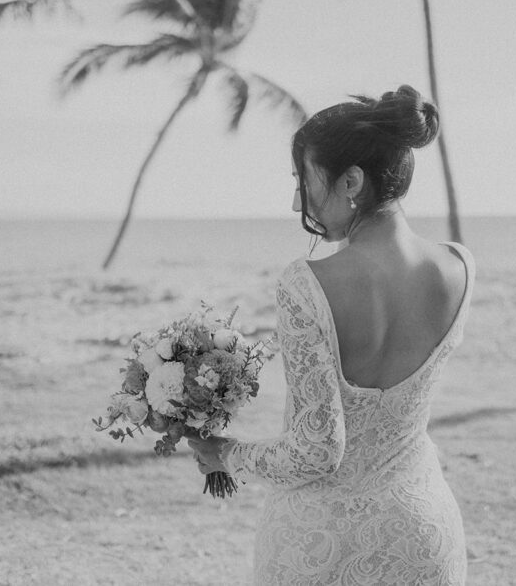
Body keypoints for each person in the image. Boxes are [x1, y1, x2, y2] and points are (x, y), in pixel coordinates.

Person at [188, 85, 474, 585]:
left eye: (305, 180)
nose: (299, 198)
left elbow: (317, 450)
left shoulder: (307, 284)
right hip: (422, 533)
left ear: (351, 181)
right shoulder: (459, 267)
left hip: (318, 548)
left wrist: (227, 455)